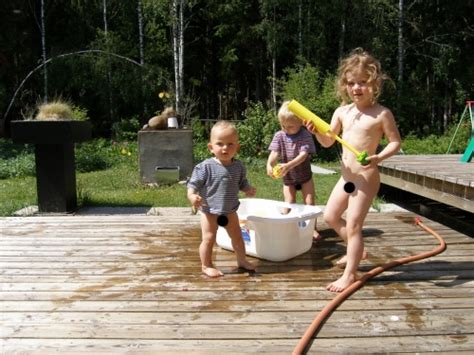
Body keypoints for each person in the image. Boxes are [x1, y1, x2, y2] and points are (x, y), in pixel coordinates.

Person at [307, 48, 401, 292]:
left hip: (366, 178)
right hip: (347, 177)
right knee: (330, 217)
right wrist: (316, 131)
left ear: (375, 83)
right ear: (344, 85)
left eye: (363, 82)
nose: (356, 88)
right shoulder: (342, 112)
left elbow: (395, 142)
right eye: (351, 83)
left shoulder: (381, 114)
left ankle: (350, 275)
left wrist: (378, 156)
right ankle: (356, 250)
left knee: (354, 225)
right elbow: (328, 141)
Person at [187, 120, 257, 277]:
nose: (225, 148)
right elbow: (193, 184)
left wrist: (247, 188)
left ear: (237, 147)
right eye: (220, 144)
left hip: (230, 211)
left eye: (230, 144)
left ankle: (242, 260)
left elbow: (241, 182)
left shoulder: (238, 167)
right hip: (209, 211)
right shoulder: (206, 167)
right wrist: (191, 195)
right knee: (209, 238)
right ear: (211, 148)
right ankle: (206, 265)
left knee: (238, 238)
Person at [267, 100, 323, 241]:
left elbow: (303, 155)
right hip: (289, 177)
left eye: (290, 126)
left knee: (309, 202)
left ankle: (312, 229)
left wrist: (288, 165)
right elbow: (275, 153)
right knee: (289, 202)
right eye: (283, 125)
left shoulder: (305, 135)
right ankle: (286, 226)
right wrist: (269, 163)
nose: (286, 129)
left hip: (305, 176)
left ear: (301, 122)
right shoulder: (279, 135)